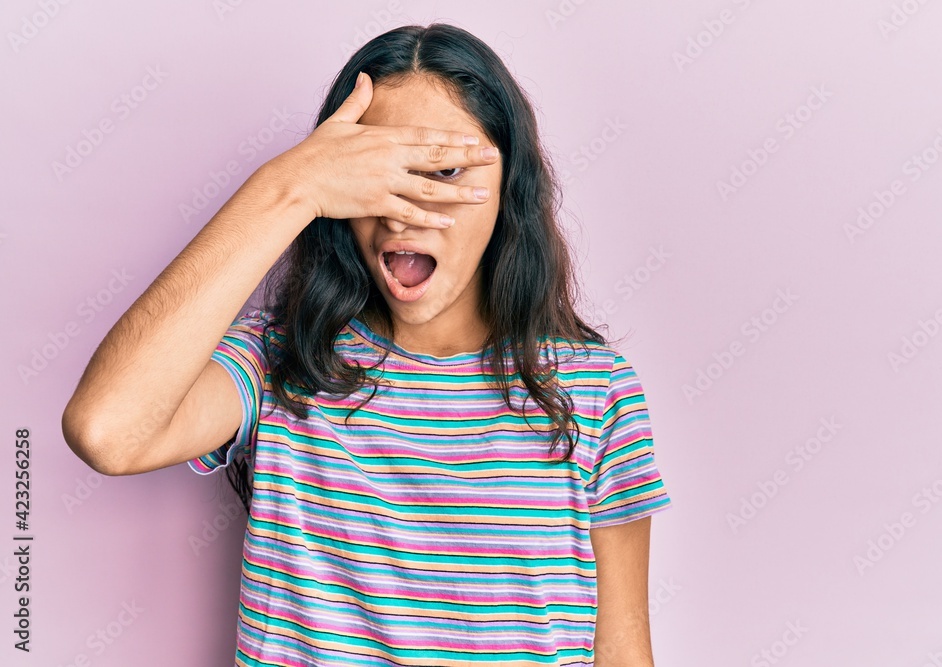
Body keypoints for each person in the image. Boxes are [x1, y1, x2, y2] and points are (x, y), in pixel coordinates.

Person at [61, 22, 671, 666]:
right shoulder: (278, 362)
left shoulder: (593, 386)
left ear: (507, 188)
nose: (404, 210)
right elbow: (107, 431)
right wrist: (287, 187)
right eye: (374, 174)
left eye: (442, 170)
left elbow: (622, 645)